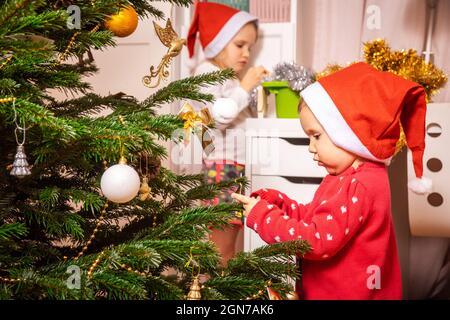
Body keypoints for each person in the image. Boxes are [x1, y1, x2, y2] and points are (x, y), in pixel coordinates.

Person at [232, 62, 432, 299]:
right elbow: (317, 217)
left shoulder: (362, 183)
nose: (311, 148)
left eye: (316, 136)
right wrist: (278, 203)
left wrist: (264, 216)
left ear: (348, 133)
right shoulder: (342, 176)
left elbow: (316, 240)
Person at [186, 2, 269, 266]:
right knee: (221, 246)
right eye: (240, 45)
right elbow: (216, 118)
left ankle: (222, 290)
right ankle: (216, 295)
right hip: (222, 169)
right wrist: (245, 87)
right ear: (217, 43)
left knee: (229, 243)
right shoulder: (206, 73)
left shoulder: (228, 77)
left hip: (232, 167)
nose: (246, 54)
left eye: (250, 48)